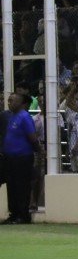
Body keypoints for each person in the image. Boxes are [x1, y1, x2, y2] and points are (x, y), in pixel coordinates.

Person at [2, 93, 39, 224]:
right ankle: (14, 213)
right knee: (11, 186)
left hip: (22, 158)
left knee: (21, 186)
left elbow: (32, 137)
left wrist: (39, 150)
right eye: (8, 100)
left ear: (21, 103)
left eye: (12, 100)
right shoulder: (12, 116)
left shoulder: (25, 117)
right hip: (10, 158)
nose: (9, 103)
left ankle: (23, 215)